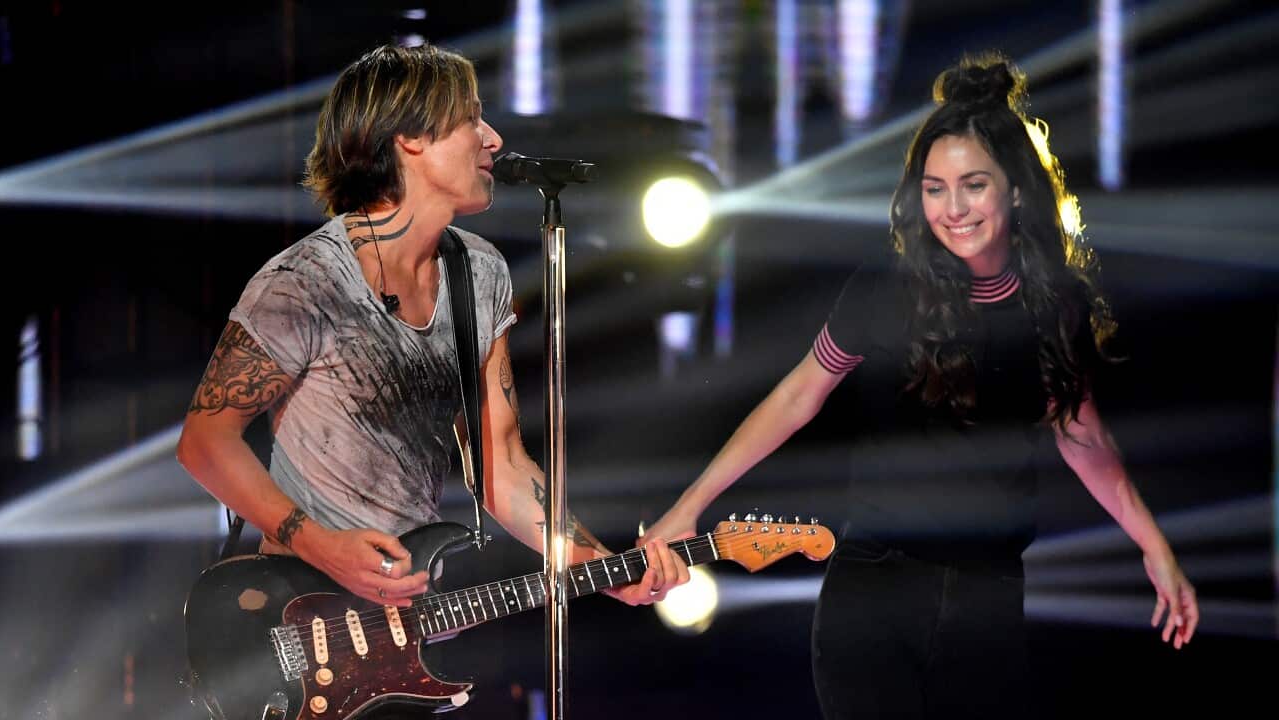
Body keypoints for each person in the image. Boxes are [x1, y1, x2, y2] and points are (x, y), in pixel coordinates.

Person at [643, 52, 1198, 718]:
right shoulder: (887, 290)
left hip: (986, 602)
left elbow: (1082, 435)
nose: (952, 208)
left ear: (1015, 190)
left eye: (973, 185)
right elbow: (796, 400)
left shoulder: (1056, 307)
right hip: (875, 594)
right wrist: (689, 506)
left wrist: (1154, 546)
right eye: (934, 187)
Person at [177, 43, 688, 620]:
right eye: (471, 117)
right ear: (411, 137)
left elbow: (504, 467)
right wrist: (320, 545)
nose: (492, 138)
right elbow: (205, 441)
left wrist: (599, 568)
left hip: (410, 630)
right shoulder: (306, 281)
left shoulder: (480, 274)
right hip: (303, 618)